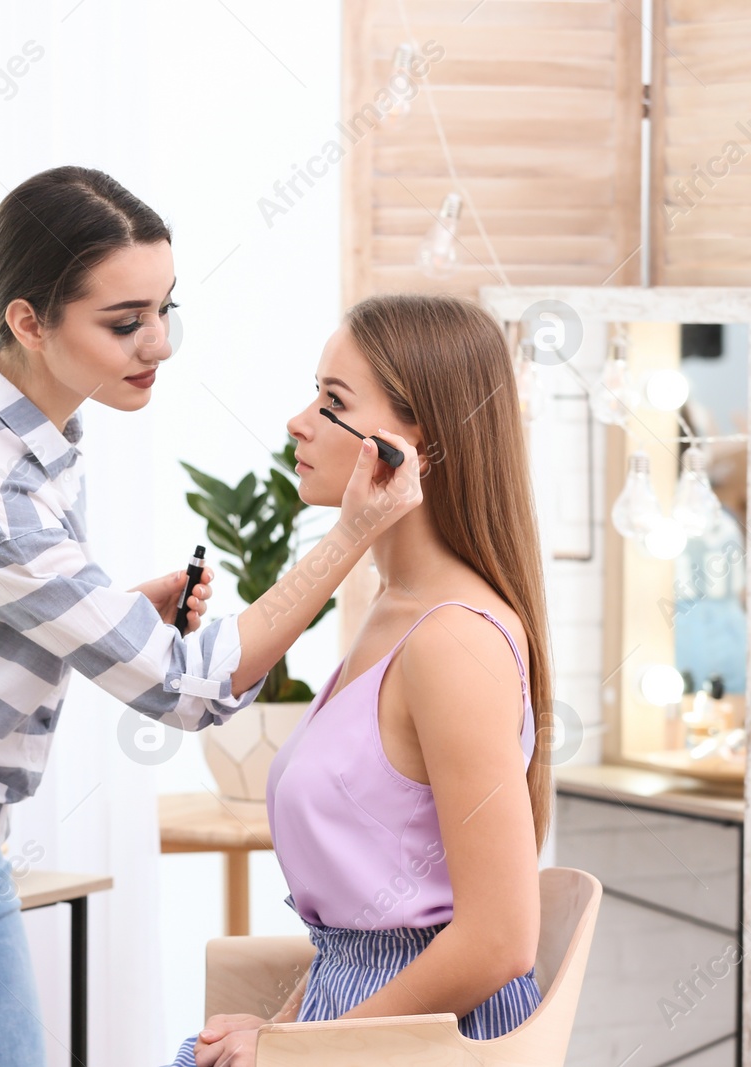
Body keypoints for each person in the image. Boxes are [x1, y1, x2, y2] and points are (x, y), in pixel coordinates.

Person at [0, 166, 422, 1065]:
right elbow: (192, 690)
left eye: (166, 308)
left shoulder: (40, 431)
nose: (161, 343)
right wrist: (350, 535)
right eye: (126, 322)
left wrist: (111, 613)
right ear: (29, 321)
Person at [171, 294, 551, 1067]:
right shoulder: (389, 615)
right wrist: (282, 1023)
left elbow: (501, 939)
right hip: (354, 1011)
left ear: (414, 445)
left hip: (422, 1037)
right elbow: (368, 917)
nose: (299, 421)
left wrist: (299, 1047)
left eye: (332, 401)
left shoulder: (451, 640)